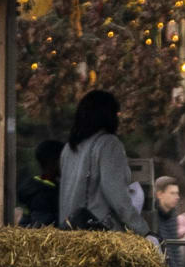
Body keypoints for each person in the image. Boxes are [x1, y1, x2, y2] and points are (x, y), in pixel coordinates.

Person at [57, 89, 147, 233]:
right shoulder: (108, 144)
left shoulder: (69, 148)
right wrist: (142, 229)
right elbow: (117, 195)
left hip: (71, 233)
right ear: (107, 115)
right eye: (117, 114)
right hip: (100, 235)